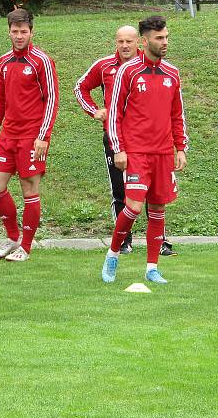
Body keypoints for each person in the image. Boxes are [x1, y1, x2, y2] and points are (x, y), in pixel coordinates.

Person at [74, 25, 176, 257]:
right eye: (120, 41)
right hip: (115, 140)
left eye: (129, 41)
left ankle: (159, 240)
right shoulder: (104, 66)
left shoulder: (150, 67)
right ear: (115, 42)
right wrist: (94, 110)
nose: (125, 46)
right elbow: (80, 87)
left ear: (138, 42)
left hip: (148, 142)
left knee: (154, 193)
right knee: (121, 190)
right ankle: (123, 240)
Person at [102, 16, 188, 284]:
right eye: (159, 38)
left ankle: (152, 267)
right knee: (133, 207)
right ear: (145, 40)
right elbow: (114, 113)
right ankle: (113, 253)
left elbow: (177, 114)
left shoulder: (172, 73)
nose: (165, 42)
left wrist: (180, 147)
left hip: (163, 153)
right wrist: (119, 148)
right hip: (136, 152)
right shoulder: (128, 71)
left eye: (166, 37)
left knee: (158, 209)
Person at [0, 8, 59, 262]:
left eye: (23, 32)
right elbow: (0, 98)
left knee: (29, 190)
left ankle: (25, 247)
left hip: (31, 137)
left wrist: (43, 136)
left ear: (31, 32)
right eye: (14, 32)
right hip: (8, 136)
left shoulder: (41, 61)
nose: (19, 36)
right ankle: (13, 238)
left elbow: (52, 100)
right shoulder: (4, 61)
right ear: (9, 32)